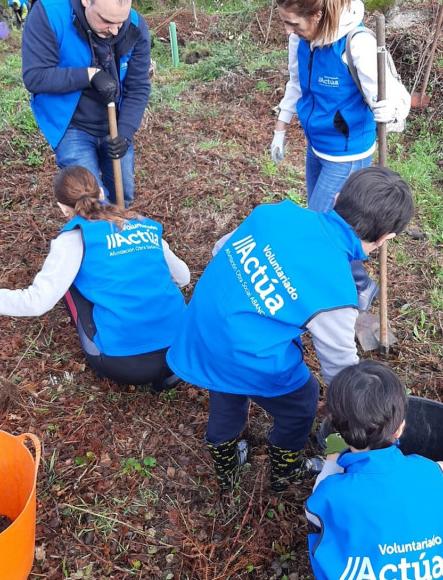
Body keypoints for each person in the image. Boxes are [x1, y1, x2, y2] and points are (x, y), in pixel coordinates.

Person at [166, 167, 414, 492]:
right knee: (303, 399)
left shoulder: (275, 212)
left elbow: (219, 249)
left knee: (226, 388)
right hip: (242, 353)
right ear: (384, 240)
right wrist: (354, 423)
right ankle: (285, 470)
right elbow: (340, 373)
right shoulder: (335, 291)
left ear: (337, 198)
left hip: (202, 331)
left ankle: (226, 466)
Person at [0, 166, 189, 390]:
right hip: (184, 348)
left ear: (62, 207)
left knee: (70, 283)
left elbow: (36, 303)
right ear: (101, 192)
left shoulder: (74, 239)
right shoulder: (144, 225)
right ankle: (167, 375)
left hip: (125, 364)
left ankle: (113, 362)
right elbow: (184, 277)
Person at [305, 361, 443, 580]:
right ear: (402, 426)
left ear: (333, 423)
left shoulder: (329, 491)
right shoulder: (429, 473)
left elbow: (314, 517)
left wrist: (332, 464)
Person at [270, 0, 410, 309]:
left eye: (293, 23)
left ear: (318, 14)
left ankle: (340, 293)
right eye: (285, 21)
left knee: (322, 230)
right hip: (317, 145)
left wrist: (391, 113)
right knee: (330, 226)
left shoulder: (357, 43)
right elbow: (297, 84)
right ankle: (359, 283)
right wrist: (281, 127)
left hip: (347, 153)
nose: (287, 30)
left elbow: (397, 98)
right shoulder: (300, 40)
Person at [22, 0, 152, 207]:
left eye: (119, 22)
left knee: (123, 195)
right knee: (91, 203)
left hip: (114, 123)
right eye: (106, 21)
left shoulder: (134, 25)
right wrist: (89, 76)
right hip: (72, 125)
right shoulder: (49, 14)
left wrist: (125, 131)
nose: (114, 30)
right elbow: (35, 77)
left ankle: (119, 238)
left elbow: (138, 86)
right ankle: (95, 240)